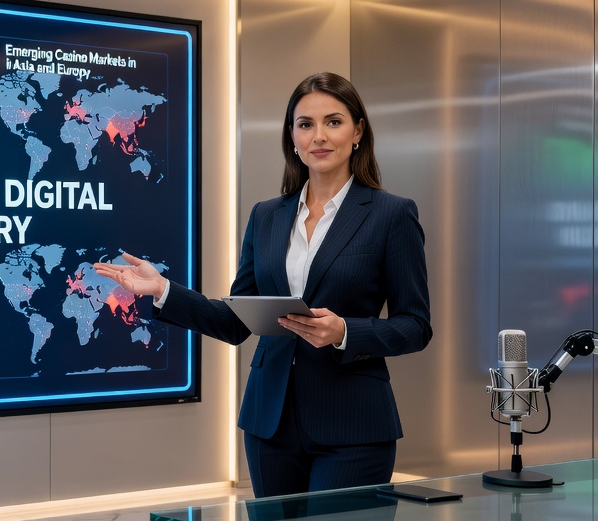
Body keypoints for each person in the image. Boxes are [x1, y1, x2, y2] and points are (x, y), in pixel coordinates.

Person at [96, 72, 431, 498]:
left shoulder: (391, 214)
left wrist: (346, 332)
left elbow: (415, 325)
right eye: (305, 124)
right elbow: (237, 321)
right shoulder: (266, 216)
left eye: (334, 121)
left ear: (358, 131)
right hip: (269, 424)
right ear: (291, 136)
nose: (319, 136)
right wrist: (163, 290)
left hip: (354, 426)